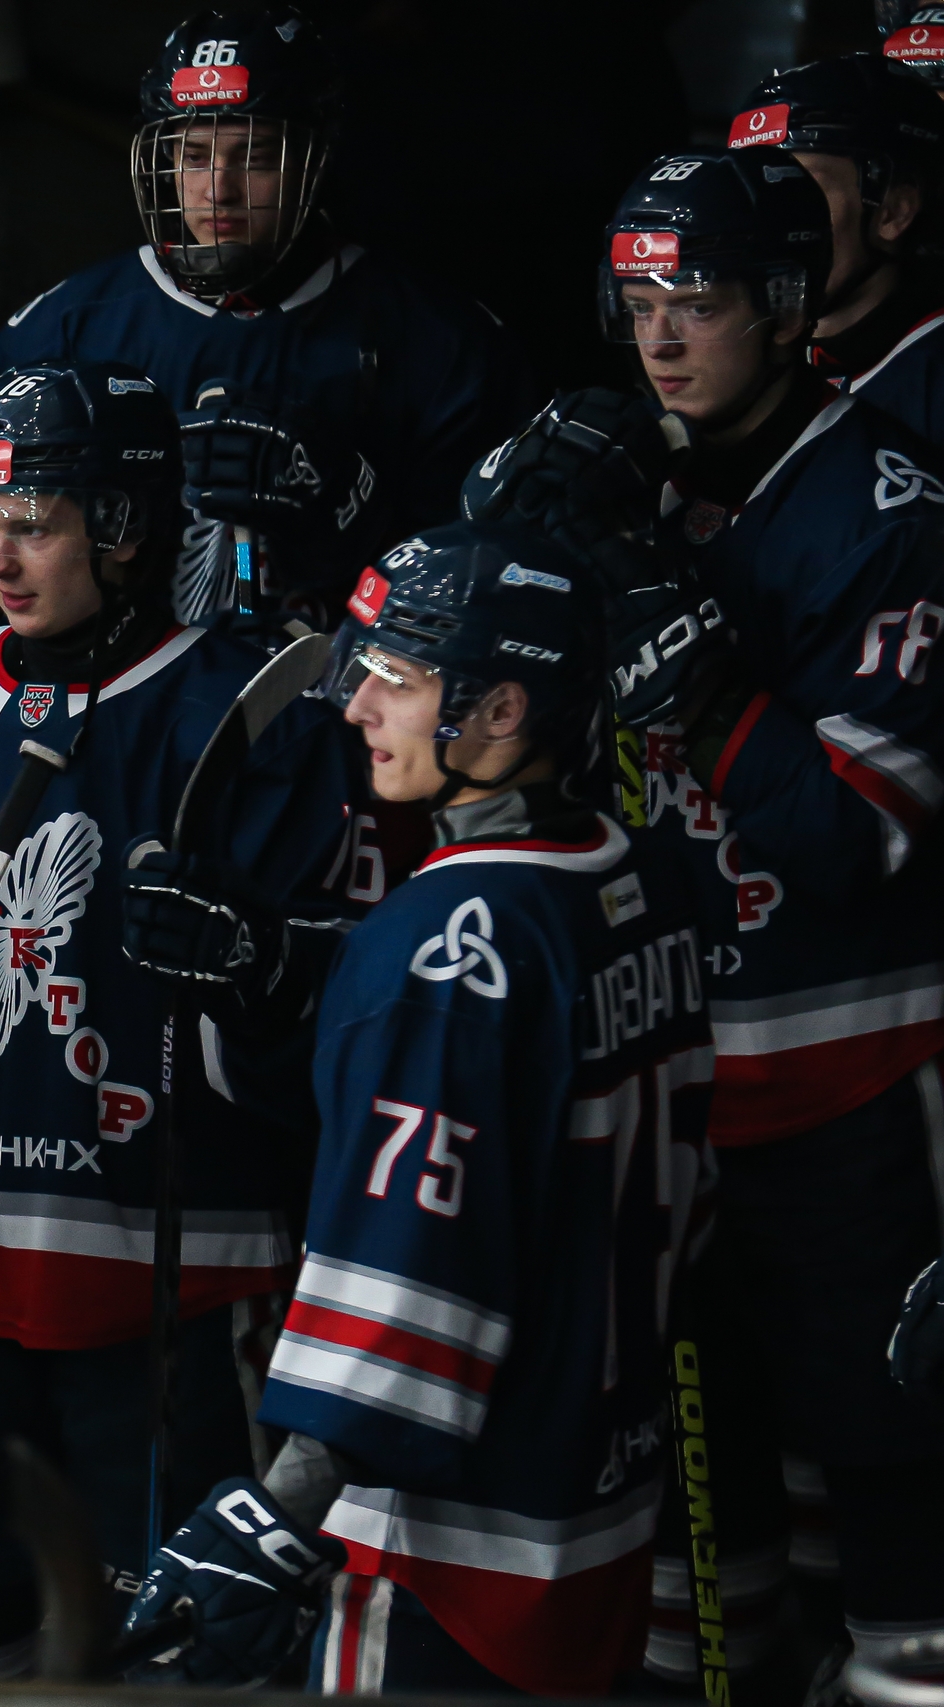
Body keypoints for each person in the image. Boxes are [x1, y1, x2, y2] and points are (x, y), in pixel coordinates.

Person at [0, 362, 355, 1676]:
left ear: (126, 525)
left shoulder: (250, 720)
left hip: (172, 1298)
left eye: (32, 525)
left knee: (173, 1649)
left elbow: (340, 1043)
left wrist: (262, 971)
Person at [493, 145, 944, 1691]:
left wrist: (684, 655)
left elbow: (860, 838)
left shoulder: (888, 508)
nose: (661, 338)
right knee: (695, 1525)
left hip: (852, 1100)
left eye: (695, 300)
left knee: (893, 1488)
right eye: (636, 305)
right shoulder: (632, 481)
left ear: (791, 303)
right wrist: (501, 543)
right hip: (660, 1104)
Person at [120, 522, 714, 1693]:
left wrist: (274, 1518)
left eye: (396, 676)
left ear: (501, 709)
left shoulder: (439, 954)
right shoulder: (638, 878)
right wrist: (276, 970)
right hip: (591, 1508)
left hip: (448, 1552)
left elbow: (412, 1277)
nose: (355, 707)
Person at [0, 6, 532, 632]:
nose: (219, 189)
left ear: (315, 161)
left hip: (353, 681)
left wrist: (350, 505)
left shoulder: (443, 344)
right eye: (193, 156)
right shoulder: (62, 330)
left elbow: (493, 588)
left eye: (256, 157)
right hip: (126, 682)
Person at [727, 54, 944, 437]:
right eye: (754, 196)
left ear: (894, 211)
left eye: (800, 193)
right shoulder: (733, 357)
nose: (766, 226)